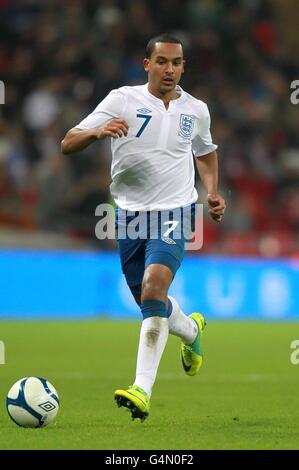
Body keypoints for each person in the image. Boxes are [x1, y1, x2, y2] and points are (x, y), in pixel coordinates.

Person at [61, 33, 226, 422]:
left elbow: (205, 152)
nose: (170, 69)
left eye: (177, 62)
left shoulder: (196, 109)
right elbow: (68, 142)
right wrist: (96, 133)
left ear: (183, 66)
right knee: (151, 305)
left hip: (176, 211)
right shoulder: (122, 99)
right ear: (147, 63)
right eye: (163, 61)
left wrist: (213, 192)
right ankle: (189, 329)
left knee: (154, 286)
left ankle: (142, 389)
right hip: (128, 216)